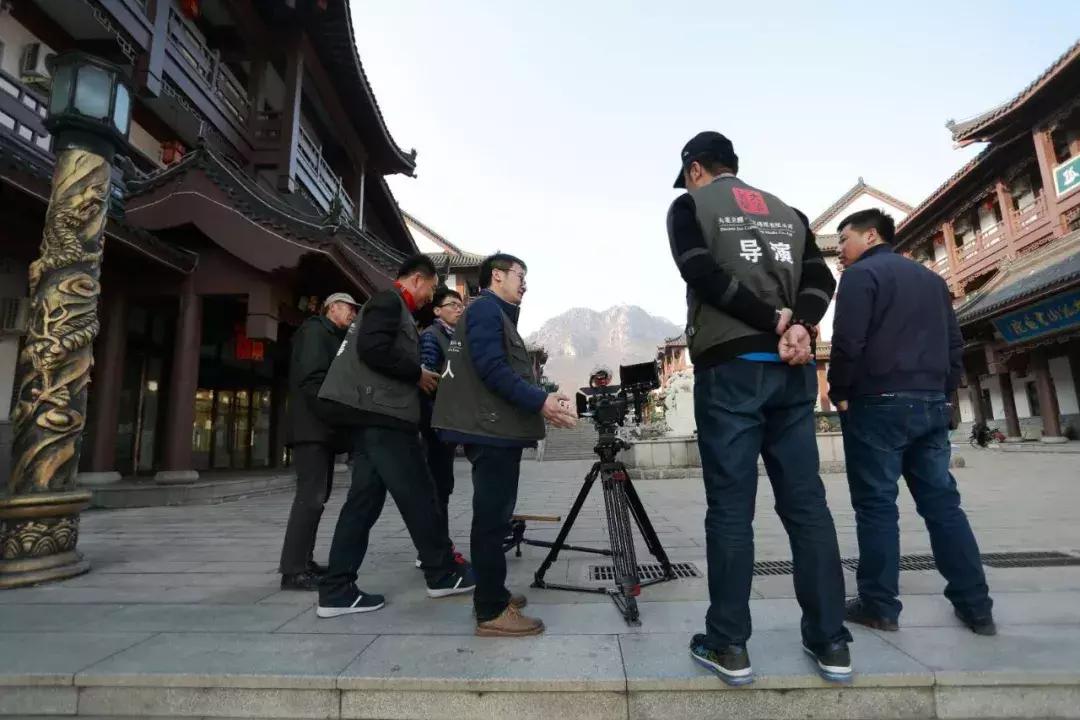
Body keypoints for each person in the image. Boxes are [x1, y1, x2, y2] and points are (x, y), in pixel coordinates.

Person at [667, 131, 851, 684]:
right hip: (790, 373)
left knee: (730, 509)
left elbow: (699, 270)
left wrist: (771, 321)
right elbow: (821, 279)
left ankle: (728, 644)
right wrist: (801, 324)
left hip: (730, 372)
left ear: (696, 168)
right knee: (807, 507)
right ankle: (831, 643)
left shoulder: (688, 206)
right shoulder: (788, 213)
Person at [828, 208, 996, 636]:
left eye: (843, 240)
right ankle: (976, 606)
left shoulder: (861, 278)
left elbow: (848, 341)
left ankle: (880, 604)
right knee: (943, 505)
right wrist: (943, 392)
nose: (839, 252)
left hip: (877, 404)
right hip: (930, 404)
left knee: (877, 506)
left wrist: (840, 390)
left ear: (870, 236)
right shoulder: (933, 281)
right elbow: (954, 344)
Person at [315, 254, 474, 617]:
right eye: (431, 289)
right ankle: (442, 574)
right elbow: (373, 350)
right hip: (383, 417)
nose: (429, 297)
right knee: (420, 495)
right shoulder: (388, 301)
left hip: (377, 418)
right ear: (417, 280)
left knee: (363, 503)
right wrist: (416, 373)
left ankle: (337, 589)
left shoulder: (394, 308)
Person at [433, 253, 577, 637]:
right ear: (497, 276)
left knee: (497, 516)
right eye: (520, 275)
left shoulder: (497, 315)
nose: (524, 283)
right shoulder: (485, 312)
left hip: (498, 431)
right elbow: (492, 370)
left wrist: (544, 394)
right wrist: (540, 402)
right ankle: (491, 610)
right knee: (492, 520)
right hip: (489, 432)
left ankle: (493, 592)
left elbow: (506, 372)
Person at [279, 292, 358, 590]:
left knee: (317, 498)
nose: (352, 314)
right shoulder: (315, 330)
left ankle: (304, 562)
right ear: (332, 307)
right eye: (349, 308)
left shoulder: (333, 336)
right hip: (311, 428)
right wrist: (335, 414)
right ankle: (293, 570)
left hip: (320, 429)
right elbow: (312, 381)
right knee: (309, 498)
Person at [416, 286, 466, 568]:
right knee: (437, 487)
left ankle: (433, 548)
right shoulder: (432, 337)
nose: (458, 308)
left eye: (460, 305)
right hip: (436, 423)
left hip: (446, 420)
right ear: (437, 311)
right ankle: (436, 552)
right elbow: (429, 380)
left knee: (442, 486)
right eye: (452, 305)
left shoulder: (453, 337)